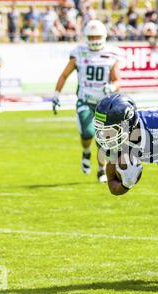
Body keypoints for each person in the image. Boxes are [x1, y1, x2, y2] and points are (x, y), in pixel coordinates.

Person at [52, 20, 122, 183]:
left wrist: (111, 88)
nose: (95, 40)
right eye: (91, 36)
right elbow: (64, 74)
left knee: (102, 139)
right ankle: (85, 152)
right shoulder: (79, 52)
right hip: (85, 100)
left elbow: (117, 80)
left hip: (104, 104)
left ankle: (101, 169)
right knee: (87, 133)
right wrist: (56, 94)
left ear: (104, 36)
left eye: (97, 36)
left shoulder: (111, 54)